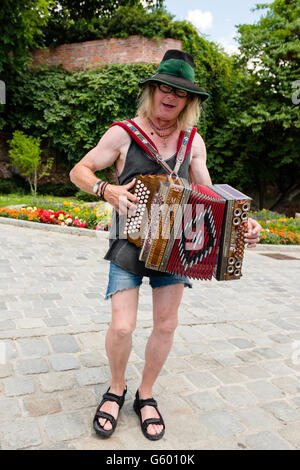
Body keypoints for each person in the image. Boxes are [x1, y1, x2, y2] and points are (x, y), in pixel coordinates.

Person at [69, 49, 262, 441]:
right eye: (163, 88)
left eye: (179, 93)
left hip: (176, 247)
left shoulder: (193, 141)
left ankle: (146, 394)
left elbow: (210, 195)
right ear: (152, 91)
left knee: (166, 325)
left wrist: (242, 223)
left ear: (188, 101)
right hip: (128, 241)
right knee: (122, 328)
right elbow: (79, 170)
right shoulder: (124, 132)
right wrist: (105, 189)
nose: (169, 97)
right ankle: (117, 387)